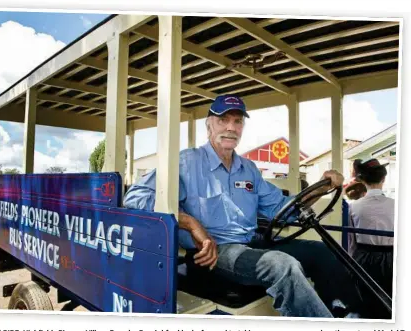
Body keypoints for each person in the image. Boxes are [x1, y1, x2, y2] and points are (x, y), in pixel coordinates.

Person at [123, 94, 362, 318]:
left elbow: (282, 209)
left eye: (237, 122)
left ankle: (346, 315)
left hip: (250, 243)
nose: (230, 127)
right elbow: (135, 197)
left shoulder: (248, 169)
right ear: (209, 125)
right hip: (213, 252)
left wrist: (319, 189)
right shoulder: (186, 162)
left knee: (321, 250)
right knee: (282, 264)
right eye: (223, 120)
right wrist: (191, 223)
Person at [348, 158, 394, 319]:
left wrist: (351, 263)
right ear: (383, 179)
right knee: (391, 301)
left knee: (367, 301)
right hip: (391, 258)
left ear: (362, 180)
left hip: (363, 258)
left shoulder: (353, 206)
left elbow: (352, 241)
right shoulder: (397, 205)